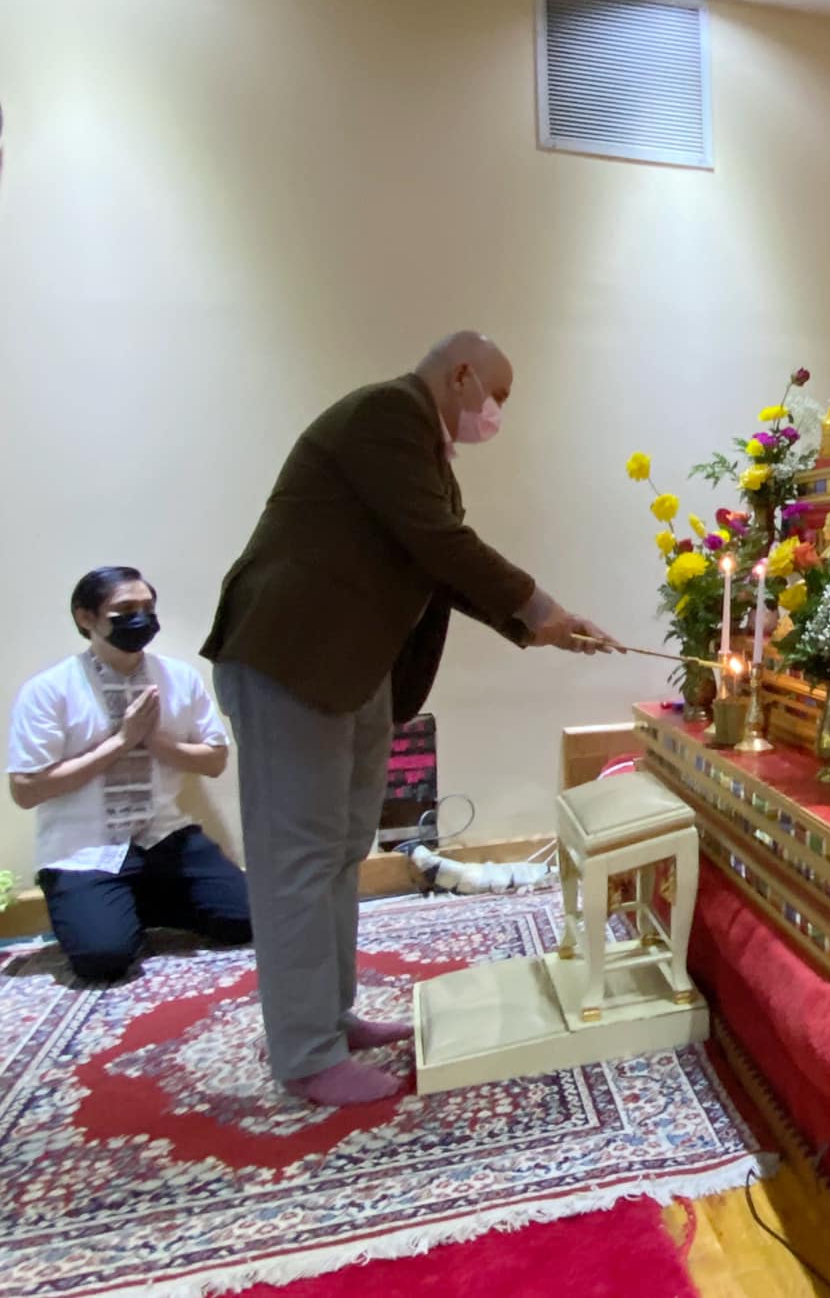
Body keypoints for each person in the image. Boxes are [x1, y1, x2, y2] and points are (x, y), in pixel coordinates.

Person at [203, 331, 619, 1106]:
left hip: (351, 671)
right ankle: (305, 1054)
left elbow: (435, 562)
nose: (495, 416)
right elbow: (441, 543)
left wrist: (539, 627)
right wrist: (540, 607)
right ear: (461, 375)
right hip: (293, 659)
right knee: (300, 857)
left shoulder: (416, 449)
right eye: (495, 397)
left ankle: (329, 1017)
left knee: (339, 849)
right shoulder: (387, 414)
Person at [9, 567, 251, 982]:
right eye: (125, 609)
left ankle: (130, 903)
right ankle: (105, 911)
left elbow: (214, 760)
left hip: (165, 837)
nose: (140, 618)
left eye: (147, 608)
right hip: (84, 848)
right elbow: (26, 790)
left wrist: (154, 741)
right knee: (103, 959)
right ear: (86, 618)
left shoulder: (177, 678)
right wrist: (120, 742)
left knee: (247, 921)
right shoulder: (49, 689)